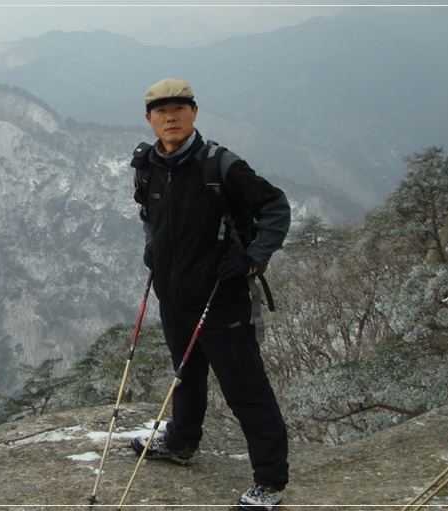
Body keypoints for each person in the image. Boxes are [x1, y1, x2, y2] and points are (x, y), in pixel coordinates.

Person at [129, 78, 290, 509]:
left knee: (245, 389)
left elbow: (275, 207)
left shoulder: (221, 166)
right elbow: (149, 215)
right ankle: (181, 443)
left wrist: (253, 257)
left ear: (194, 113)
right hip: (174, 296)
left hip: (222, 299)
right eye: (161, 111)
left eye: (180, 108)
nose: (171, 116)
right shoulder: (149, 167)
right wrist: (153, 248)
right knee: (186, 376)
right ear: (149, 120)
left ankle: (271, 480)